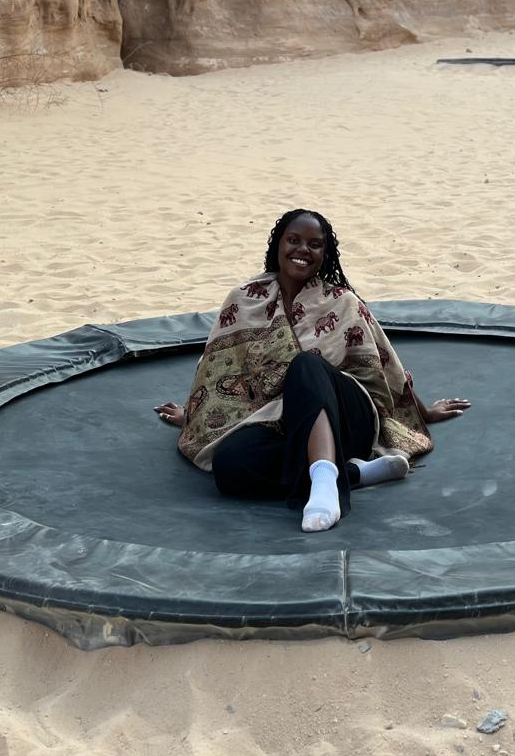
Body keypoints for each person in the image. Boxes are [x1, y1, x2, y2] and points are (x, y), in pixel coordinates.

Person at [155, 209, 470, 532]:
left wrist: (425, 412)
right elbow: (217, 368)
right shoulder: (244, 299)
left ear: (325, 254)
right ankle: (355, 474)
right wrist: (195, 416)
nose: (302, 250)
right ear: (278, 245)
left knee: (305, 366)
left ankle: (322, 486)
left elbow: (387, 364)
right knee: (229, 466)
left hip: (348, 418)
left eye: (314, 244)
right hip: (278, 420)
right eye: (293, 240)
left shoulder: (341, 301)